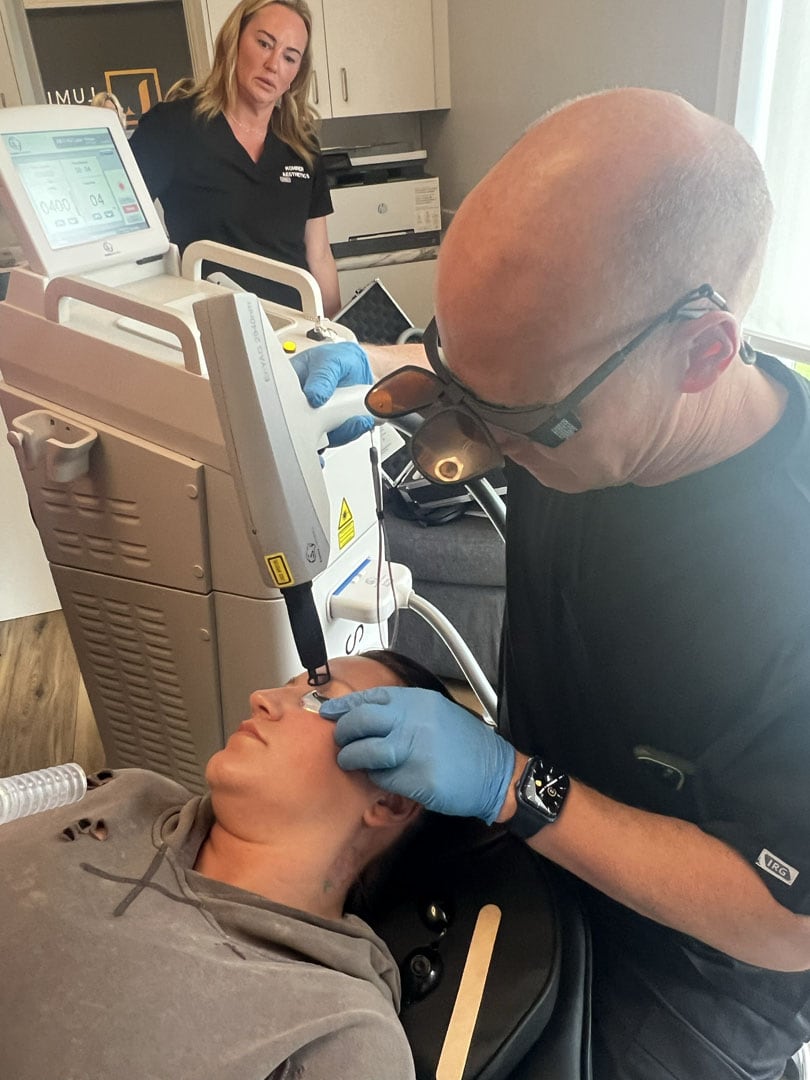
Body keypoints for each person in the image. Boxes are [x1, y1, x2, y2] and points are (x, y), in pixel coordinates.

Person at [296, 88, 810, 1080]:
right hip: (535, 835)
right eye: (463, 381)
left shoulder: (786, 569)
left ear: (700, 350)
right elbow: (496, 382)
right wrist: (388, 364)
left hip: (698, 962)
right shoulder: (582, 397)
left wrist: (514, 786)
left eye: (521, 419)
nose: (484, 440)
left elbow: (789, 918)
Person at [0, 649, 452, 1080]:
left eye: (321, 697)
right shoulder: (134, 790)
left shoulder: (338, 1030)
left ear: (391, 800)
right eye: (287, 685)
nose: (263, 698)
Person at [129, 0, 340, 315]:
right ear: (234, 40)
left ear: (296, 73)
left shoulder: (302, 145)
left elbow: (319, 254)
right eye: (264, 43)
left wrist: (340, 333)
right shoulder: (171, 127)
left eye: (289, 57)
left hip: (296, 329)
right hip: (214, 329)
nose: (273, 64)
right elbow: (124, 239)